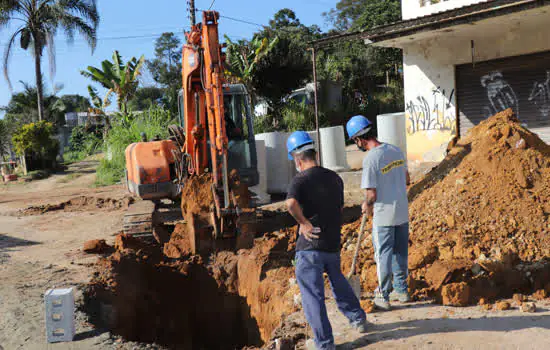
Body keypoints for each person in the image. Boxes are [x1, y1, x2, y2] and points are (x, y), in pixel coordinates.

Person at [285, 131, 367, 350]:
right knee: (338, 281)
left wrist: (303, 222)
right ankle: (357, 317)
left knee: (312, 296)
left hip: (310, 246)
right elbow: (339, 207)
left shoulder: (300, 179)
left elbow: (291, 203)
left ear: (297, 158)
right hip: (331, 242)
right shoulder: (334, 178)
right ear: (315, 153)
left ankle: (324, 343)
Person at [346, 115, 410, 311]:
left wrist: (367, 204)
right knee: (400, 253)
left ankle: (383, 295)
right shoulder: (396, 150)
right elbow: (407, 179)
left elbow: (371, 194)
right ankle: (402, 290)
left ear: (359, 139)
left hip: (383, 216)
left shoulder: (371, 159)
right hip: (401, 211)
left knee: (383, 255)